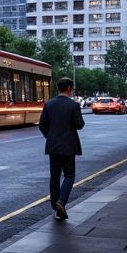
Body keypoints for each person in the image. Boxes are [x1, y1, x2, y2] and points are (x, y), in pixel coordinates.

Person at [37, 76, 84, 220]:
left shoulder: (49, 104)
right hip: (69, 145)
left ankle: (55, 205)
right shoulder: (73, 105)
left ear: (58, 88)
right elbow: (80, 124)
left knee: (54, 175)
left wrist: (50, 136)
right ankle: (61, 202)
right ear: (69, 88)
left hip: (53, 145)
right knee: (69, 175)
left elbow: (41, 125)